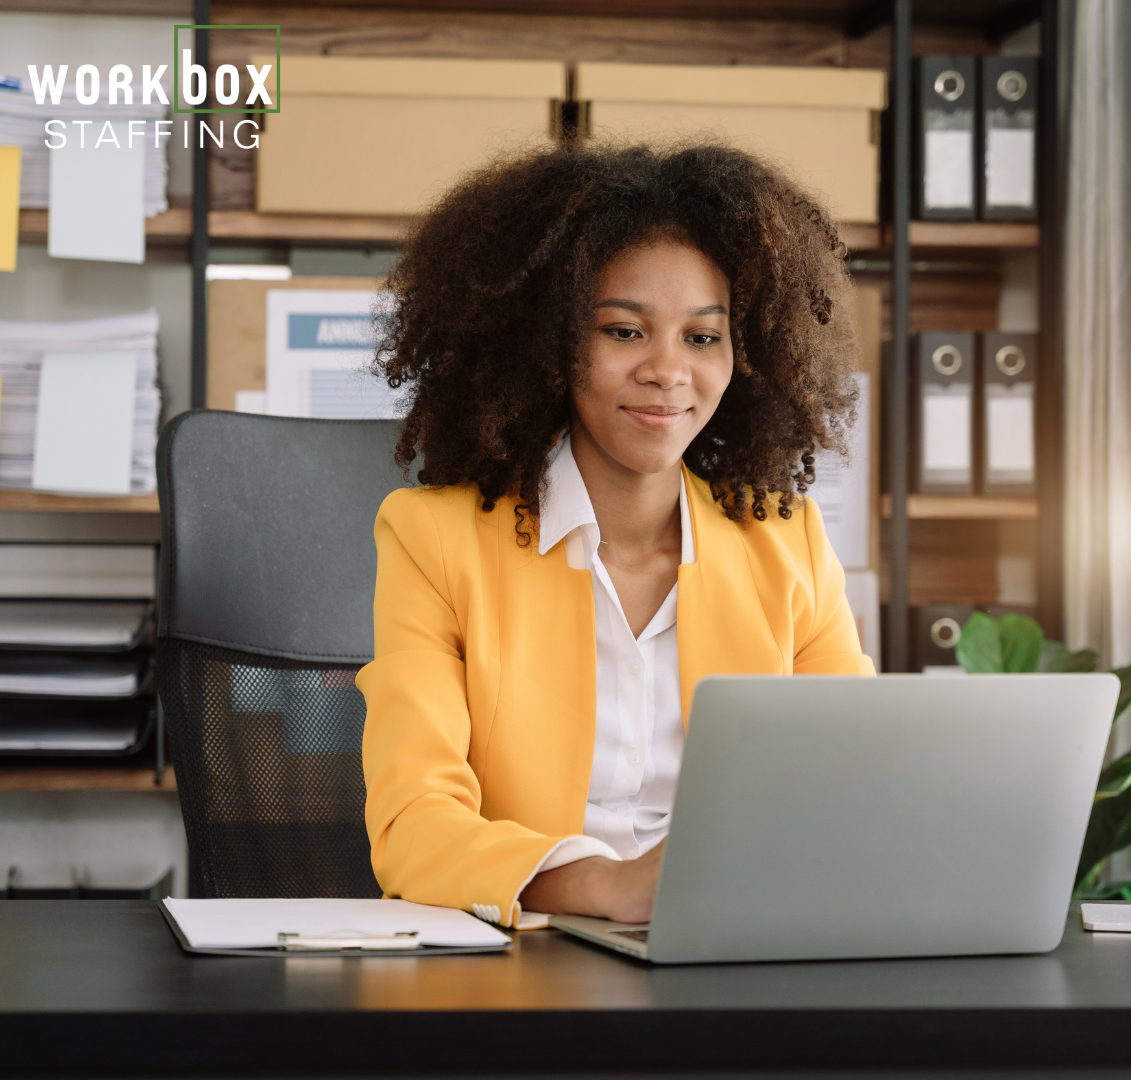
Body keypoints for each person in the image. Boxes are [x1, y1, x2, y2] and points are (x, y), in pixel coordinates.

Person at [358, 142, 874, 930]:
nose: (669, 371)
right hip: (523, 964)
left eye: (702, 338)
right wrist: (608, 885)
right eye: (624, 331)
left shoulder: (789, 544)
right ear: (547, 345)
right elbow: (412, 824)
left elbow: (855, 789)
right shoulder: (436, 541)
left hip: (733, 952)